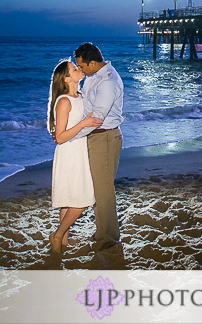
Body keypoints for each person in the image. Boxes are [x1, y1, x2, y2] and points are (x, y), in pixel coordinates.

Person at [47, 59, 102, 254]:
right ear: (67, 79)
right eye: (74, 68)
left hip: (79, 151)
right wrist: (84, 123)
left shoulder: (79, 96)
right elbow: (60, 137)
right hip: (69, 154)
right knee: (82, 200)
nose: (79, 69)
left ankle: (62, 243)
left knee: (70, 201)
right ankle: (58, 234)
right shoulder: (64, 101)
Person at [73, 42, 124, 250]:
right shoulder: (93, 77)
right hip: (94, 136)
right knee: (98, 189)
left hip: (105, 137)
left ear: (93, 63)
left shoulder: (108, 82)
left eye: (82, 66)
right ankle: (101, 232)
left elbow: (97, 117)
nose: (80, 70)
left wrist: (72, 135)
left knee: (103, 190)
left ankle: (109, 238)